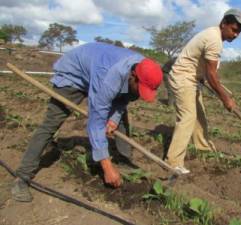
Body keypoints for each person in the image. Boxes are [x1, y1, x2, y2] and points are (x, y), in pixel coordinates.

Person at [11, 42, 163, 202]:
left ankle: (124, 160)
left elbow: (124, 99)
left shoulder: (143, 67)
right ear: (133, 75)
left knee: (121, 120)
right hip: (74, 75)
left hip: (98, 69)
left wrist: (114, 119)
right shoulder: (110, 78)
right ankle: (22, 176)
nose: (140, 93)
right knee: (51, 123)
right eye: (140, 88)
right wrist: (107, 167)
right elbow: (95, 123)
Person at [166, 8, 241, 174]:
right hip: (183, 78)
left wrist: (211, 82)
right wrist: (225, 99)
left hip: (192, 79)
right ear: (223, 24)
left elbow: (209, 72)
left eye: (239, 32)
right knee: (188, 117)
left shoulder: (214, 35)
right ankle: (173, 162)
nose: (236, 35)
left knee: (200, 116)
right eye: (234, 30)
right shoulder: (214, 40)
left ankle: (203, 148)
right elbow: (212, 75)